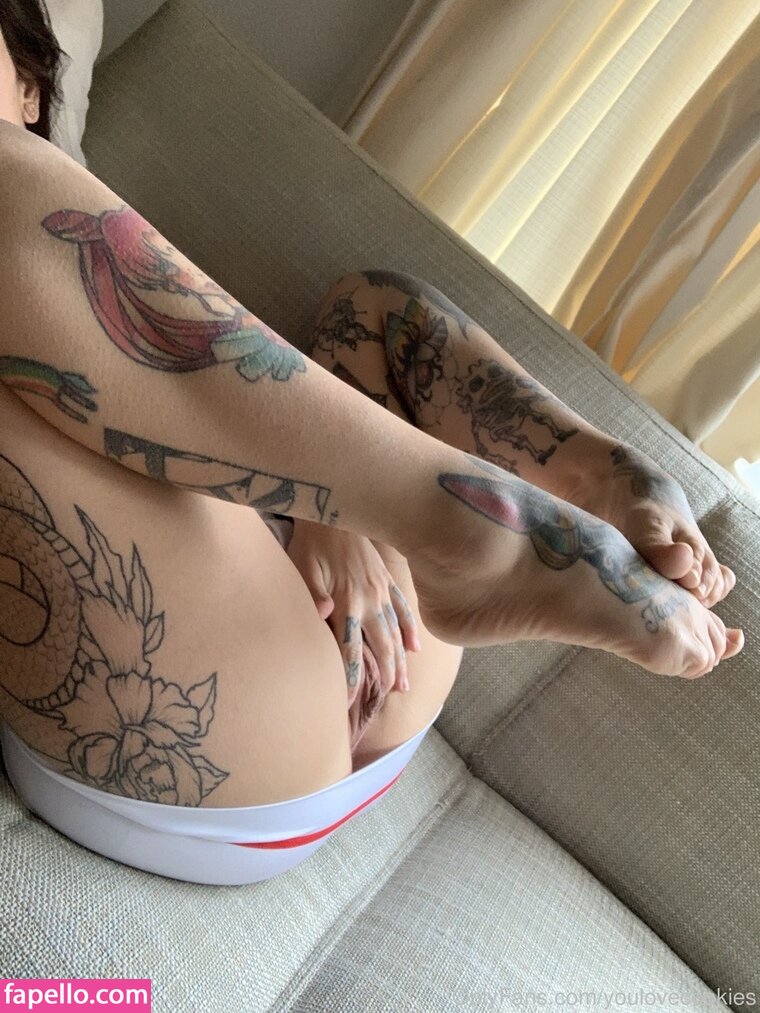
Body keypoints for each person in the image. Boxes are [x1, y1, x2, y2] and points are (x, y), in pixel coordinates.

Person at [0, 0, 743, 884]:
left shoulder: (88, 255)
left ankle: (584, 475)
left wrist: (327, 509)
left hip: (346, 629)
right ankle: (469, 523)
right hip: (202, 721)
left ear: (32, 88)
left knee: (374, 309)